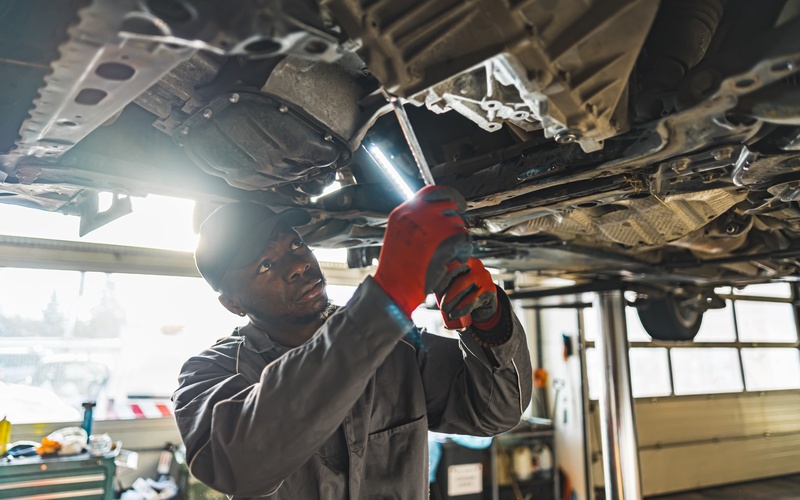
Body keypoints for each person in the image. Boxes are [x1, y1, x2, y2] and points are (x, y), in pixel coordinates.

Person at [172, 186, 532, 499]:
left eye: (295, 243)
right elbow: (243, 464)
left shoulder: (396, 347)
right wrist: (388, 294)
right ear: (232, 304)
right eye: (265, 265)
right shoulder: (209, 375)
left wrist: (488, 321)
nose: (297, 265)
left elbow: (495, 412)